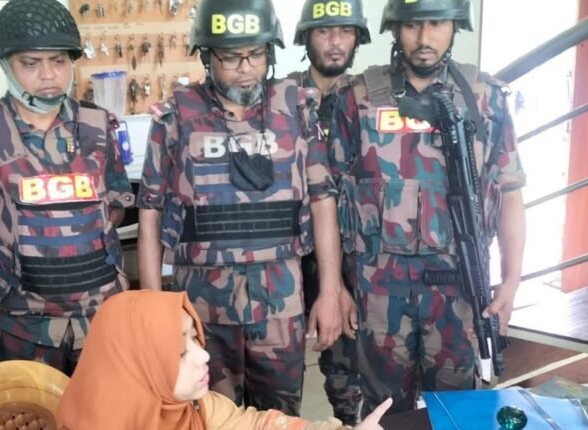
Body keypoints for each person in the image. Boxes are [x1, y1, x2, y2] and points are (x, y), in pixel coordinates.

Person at [137, 0, 345, 415]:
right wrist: (155, 313)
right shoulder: (175, 118)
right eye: (231, 58)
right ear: (206, 56)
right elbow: (150, 216)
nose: (246, 68)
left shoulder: (296, 110)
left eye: (256, 54)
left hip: (280, 305)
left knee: (280, 419)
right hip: (202, 311)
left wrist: (330, 292)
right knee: (205, 416)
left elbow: (323, 202)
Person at [330, 0, 527, 416]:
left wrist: (511, 282)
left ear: (455, 27)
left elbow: (510, 192)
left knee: (459, 410)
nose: (423, 38)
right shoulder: (357, 98)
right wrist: (336, 287)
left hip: (458, 289)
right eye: (411, 26)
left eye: (436, 23)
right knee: (384, 412)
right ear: (394, 30)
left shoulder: (484, 98)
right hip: (377, 291)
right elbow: (327, 196)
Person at [0, 0, 133, 376]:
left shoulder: (98, 127)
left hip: (101, 322)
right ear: (6, 64)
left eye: (58, 60)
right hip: (22, 328)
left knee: (103, 407)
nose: (48, 74)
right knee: (27, 408)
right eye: (31, 63)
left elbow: (115, 207)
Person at [57, 289, 392, 430]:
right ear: (139, 368)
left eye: (194, 338)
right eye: (181, 352)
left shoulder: (194, 409)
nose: (203, 354)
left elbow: (258, 426)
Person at [286, 0, 371, 424]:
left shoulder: (371, 99)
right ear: (306, 38)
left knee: (348, 381)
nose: (335, 42)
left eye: (345, 31)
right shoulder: (280, 97)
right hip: (285, 260)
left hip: (350, 257)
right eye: (323, 31)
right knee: (277, 384)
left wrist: (339, 284)